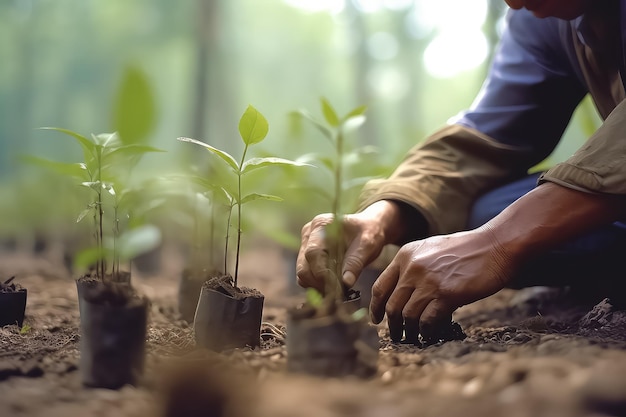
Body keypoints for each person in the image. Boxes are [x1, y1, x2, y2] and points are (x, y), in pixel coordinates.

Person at [296, 0, 626, 344]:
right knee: (484, 213)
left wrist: (498, 242)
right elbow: (488, 135)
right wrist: (381, 217)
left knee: (502, 225)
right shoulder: (540, 18)